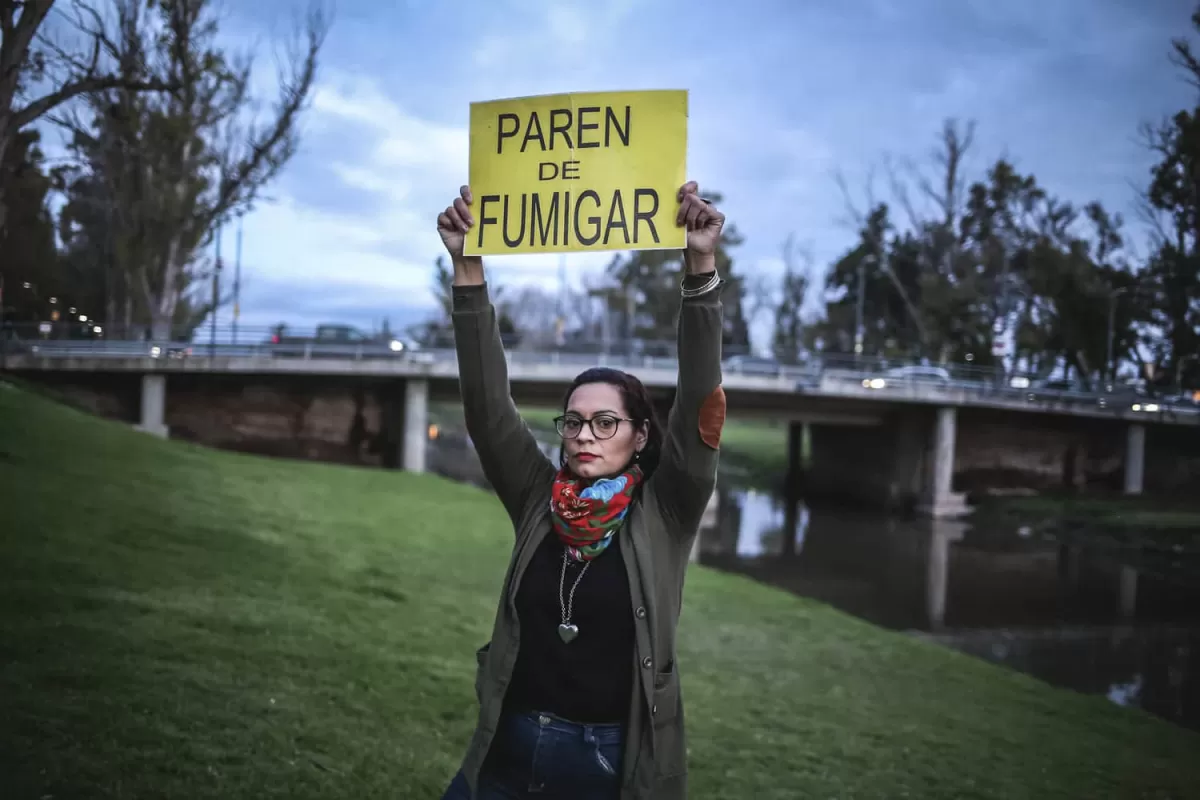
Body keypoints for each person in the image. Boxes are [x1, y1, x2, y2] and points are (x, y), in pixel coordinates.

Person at [436, 181, 727, 800]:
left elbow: (701, 407)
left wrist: (699, 269)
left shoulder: (666, 510)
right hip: (509, 747)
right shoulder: (538, 497)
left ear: (640, 435)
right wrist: (467, 273)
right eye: (574, 421)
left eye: (605, 422)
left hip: (606, 763)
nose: (585, 435)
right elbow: (489, 412)